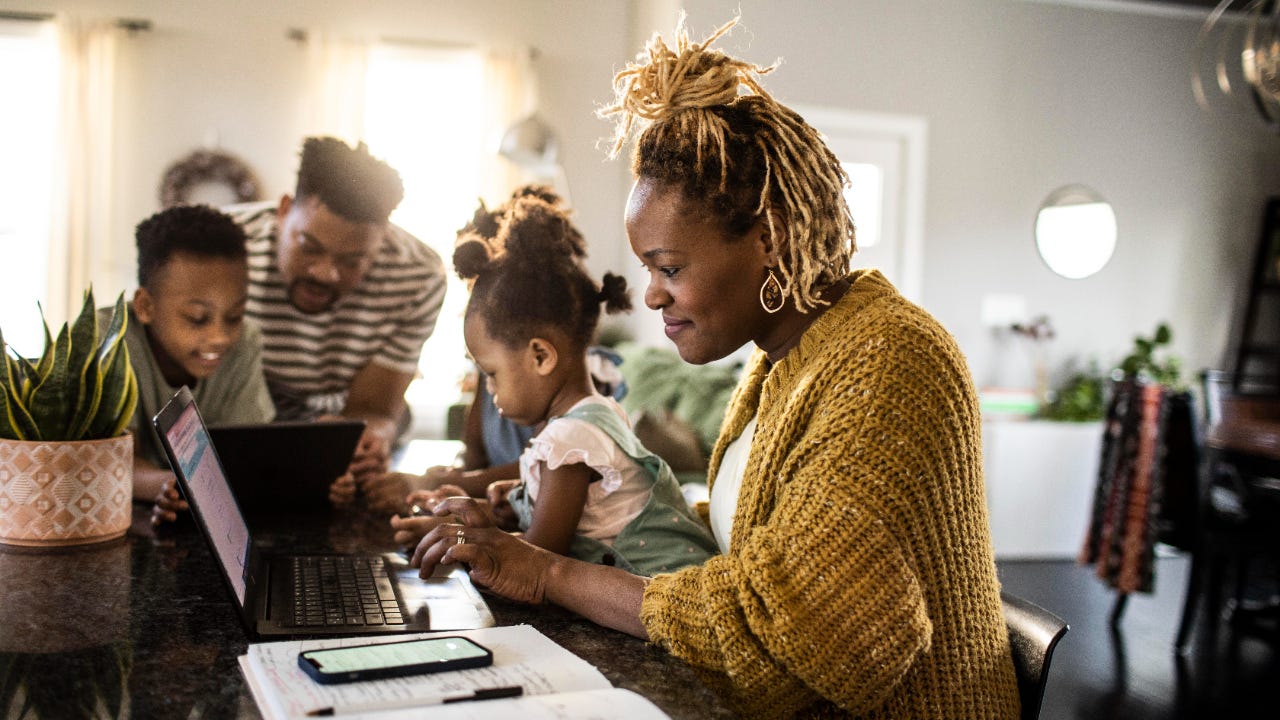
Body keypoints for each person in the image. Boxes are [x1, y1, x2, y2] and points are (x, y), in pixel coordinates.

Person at [409, 17, 1021, 719]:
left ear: (770, 238)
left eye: (669, 268)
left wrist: (548, 572)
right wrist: (573, 511)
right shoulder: (780, 361)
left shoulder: (890, 360)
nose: (651, 295)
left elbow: (813, 627)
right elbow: (756, 538)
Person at [400, 193, 717, 576]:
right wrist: (504, 505)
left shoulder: (570, 439)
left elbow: (536, 560)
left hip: (664, 592)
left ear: (540, 356)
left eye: (492, 374)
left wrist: (461, 535)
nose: (489, 390)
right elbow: (580, 521)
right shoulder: (592, 416)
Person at [365, 187, 628, 517]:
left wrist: (435, 483)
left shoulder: (580, 390)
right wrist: (450, 485)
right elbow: (475, 456)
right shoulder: (494, 370)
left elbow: (544, 471)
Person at [227, 137, 447, 492]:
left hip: (341, 413)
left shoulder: (419, 274)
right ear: (284, 211)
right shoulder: (223, 248)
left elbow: (375, 407)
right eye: (308, 247)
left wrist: (365, 439)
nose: (325, 274)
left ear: (382, 239)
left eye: (352, 261)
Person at [104, 204, 275, 524]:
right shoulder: (110, 340)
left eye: (234, 316)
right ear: (145, 306)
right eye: (197, 318)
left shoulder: (245, 342)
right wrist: (169, 486)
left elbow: (246, 454)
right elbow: (110, 461)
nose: (220, 337)